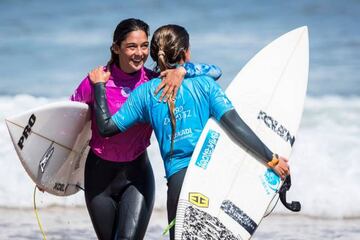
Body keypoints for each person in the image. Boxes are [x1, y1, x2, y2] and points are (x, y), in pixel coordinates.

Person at [89, 24, 290, 240]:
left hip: (178, 182)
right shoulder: (205, 85)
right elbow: (236, 126)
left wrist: (99, 86)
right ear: (186, 52)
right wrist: (272, 159)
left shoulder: (145, 93)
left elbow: (106, 127)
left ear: (154, 54)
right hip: (211, 175)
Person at [70, 18, 224, 240]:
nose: (139, 53)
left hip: (136, 176)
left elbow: (215, 72)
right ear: (116, 47)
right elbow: (67, 122)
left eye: (144, 46)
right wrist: (51, 173)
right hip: (98, 177)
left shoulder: (154, 83)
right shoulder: (95, 81)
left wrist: (182, 70)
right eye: (132, 46)